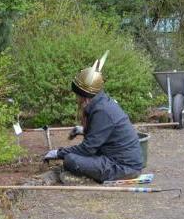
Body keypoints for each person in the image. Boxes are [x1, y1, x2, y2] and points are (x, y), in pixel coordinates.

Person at [44, 51, 143, 183]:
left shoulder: (102, 111)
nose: (76, 98)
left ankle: (82, 178)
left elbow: (87, 149)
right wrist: (82, 130)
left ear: (84, 97)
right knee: (73, 158)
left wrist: (58, 153)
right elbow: (102, 134)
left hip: (123, 167)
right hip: (120, 160)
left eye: (77, 95)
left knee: (71, 160)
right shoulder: (101, 103)